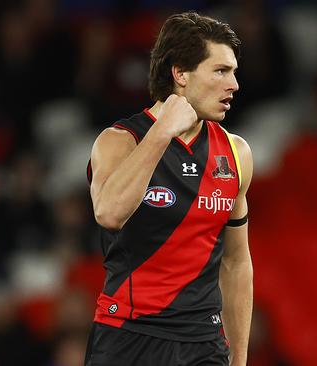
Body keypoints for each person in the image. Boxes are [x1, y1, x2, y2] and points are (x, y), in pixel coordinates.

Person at [84, 11, 253, 366]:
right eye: (221, 71)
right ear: (180, 74)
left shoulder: (236, 153)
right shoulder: (119, 142)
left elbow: (237, 263)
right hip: (128, 336)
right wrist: (162, 133)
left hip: (203, 343)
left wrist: (238, 360)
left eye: (234, 71)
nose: (234, 84)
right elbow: (109, 213)